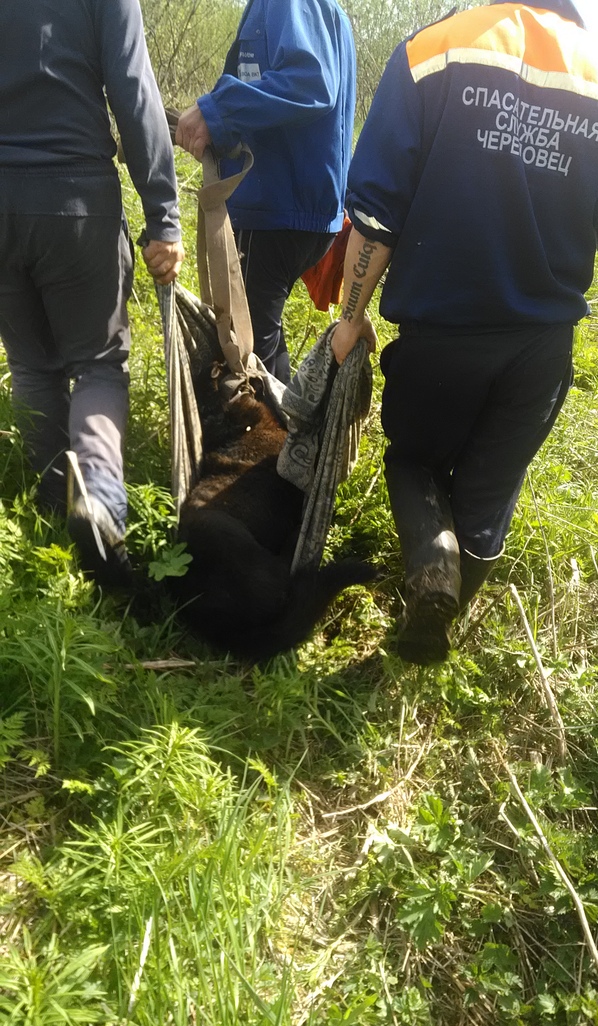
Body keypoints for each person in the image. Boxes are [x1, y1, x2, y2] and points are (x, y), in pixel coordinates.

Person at [331, 0, 598, 664]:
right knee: (487, 496)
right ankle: (436, 623)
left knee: (413, 459)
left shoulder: (436, 50)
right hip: (540, 349)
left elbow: (375, 216)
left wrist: (350, 317)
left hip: (441, 333)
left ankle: (432, 576)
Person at [0, 0, 184, 588]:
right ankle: (99, 498)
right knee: (99, 364)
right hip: (75, 200)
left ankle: (53, 514)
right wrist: (164, 215)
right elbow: (134, 91)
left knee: (32, 367)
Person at [175, 0, 356, 384]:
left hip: (274, 209)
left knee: (246, 353)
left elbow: (310, 82)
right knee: (263, 340)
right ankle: (288, 417)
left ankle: (274, 425)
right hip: (294, 209)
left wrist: (216, 111)